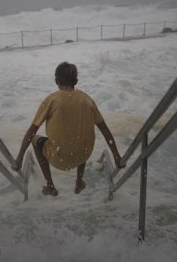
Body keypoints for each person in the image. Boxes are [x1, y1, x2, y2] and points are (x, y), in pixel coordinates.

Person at [13, 61, 125, 196]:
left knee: (36, 140)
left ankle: (50, 186)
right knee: (81, 134)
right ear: (76, 81)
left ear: (56, 80)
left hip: (60, 158)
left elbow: (32, 131)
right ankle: (79, 183)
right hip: (83, 155)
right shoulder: (87, 100)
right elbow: (105, 130)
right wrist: (117, 156)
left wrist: (19, 158)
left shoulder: (52, 100)